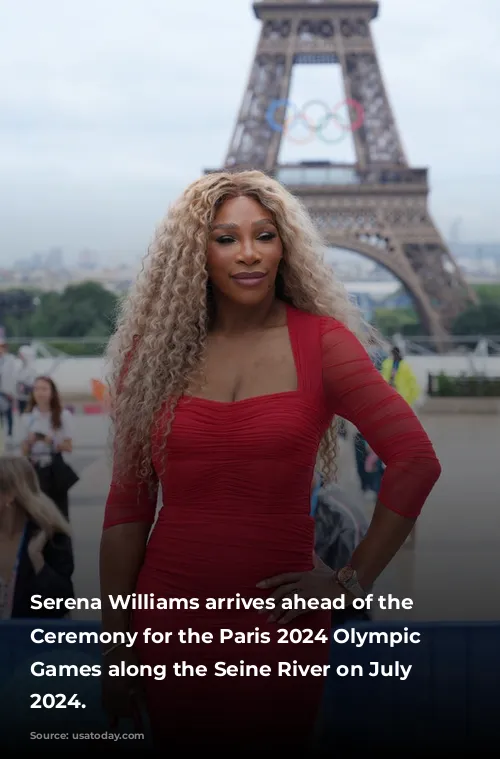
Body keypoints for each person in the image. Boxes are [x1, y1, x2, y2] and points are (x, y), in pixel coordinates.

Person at [100, 170, 441, 752]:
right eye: (225, 238)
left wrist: (348, 583)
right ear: (193, 254)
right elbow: (128, 508)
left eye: (265, 234)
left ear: (286, 244)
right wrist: (116, 647)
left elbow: (415, 460)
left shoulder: (323, 343)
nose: (249, 254)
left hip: (279, 627)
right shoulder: (150, 356)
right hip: (168, 622)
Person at [0, 455, 73, 619]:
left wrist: (37, 561)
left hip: (31, 641)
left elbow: (61, 604)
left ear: (9, 494)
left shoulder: (51, 537)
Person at [20, 376, 75, 519]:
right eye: (36, 389)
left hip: (54, 470)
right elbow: (23, 451)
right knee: (36, 515)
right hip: (34, 469)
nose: (40, 393)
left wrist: (52, 442)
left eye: (44, 389)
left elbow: (69, 447)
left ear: (52, 392)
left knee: (59, 514)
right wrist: (29, 442)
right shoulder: (28, 417)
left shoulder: (63, 415)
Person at [0, 337, 17, 444]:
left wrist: (11, 392)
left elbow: (12, 376)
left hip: (7, 391)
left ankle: (10, 435)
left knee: (9, 414)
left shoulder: (10, 360)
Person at [16, 345, 37, 415]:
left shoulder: (32, 369)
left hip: (28, 397)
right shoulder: (21, 367)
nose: (19, 357)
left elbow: (31, 383)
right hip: (21, 397)